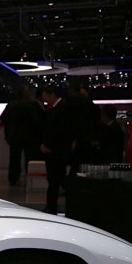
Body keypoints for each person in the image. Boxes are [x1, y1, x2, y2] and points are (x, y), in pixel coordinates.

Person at [0, 86, 45, 185]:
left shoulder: (11, 104)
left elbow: (3, 118)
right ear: (26, 94)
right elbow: (37, 121)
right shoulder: (32, 105)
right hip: (29, 137)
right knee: (29, 159)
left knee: (14, 159)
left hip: (14, 137)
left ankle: (13, 178)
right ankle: (29, 178)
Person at [39, 85, 73, 215]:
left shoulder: (62, 109)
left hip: (56, 152)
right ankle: (51, 206)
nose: (45, 100)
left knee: (55, 180)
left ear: (52, 95)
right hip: (55, 151)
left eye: (46, 97)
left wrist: (48, 145)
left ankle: (51, 207)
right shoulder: (59, 108)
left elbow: (59, 131)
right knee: (54, 180)